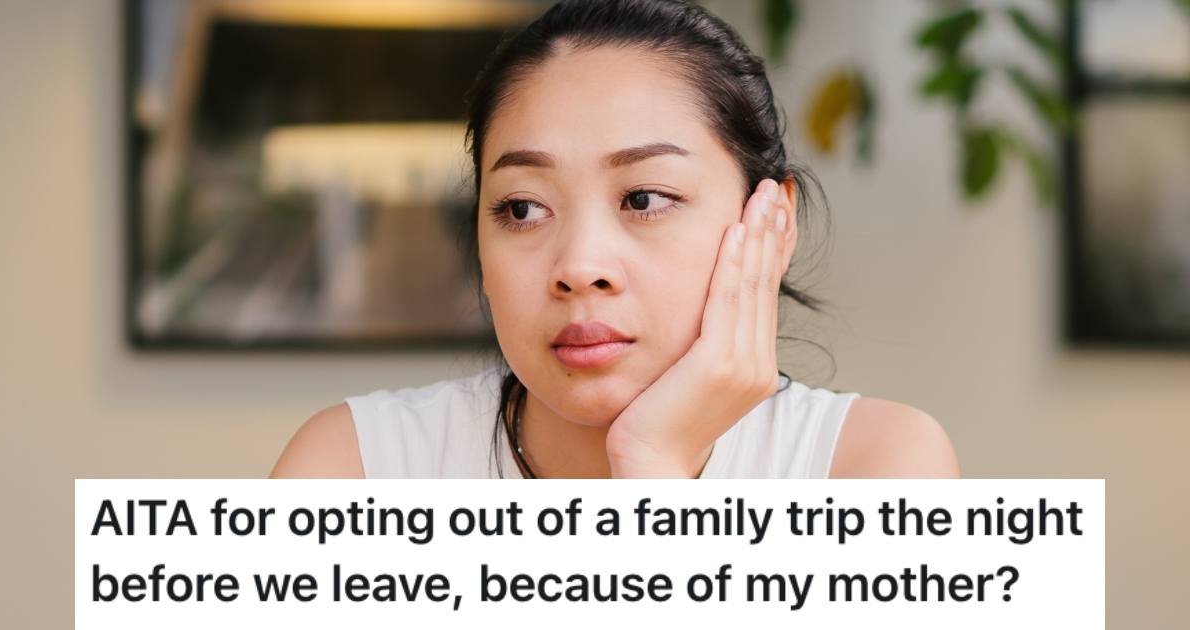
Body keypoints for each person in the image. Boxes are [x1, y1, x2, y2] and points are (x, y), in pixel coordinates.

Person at [271, 0, 959, 480]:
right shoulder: (354, 470)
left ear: (771, 226)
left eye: (644, 199)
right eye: (521, 209)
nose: (580, 267)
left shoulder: (870, 467)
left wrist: (653, 467)